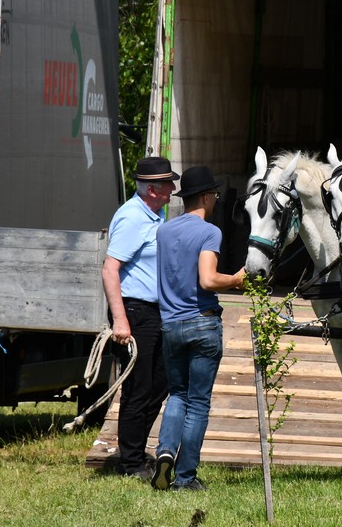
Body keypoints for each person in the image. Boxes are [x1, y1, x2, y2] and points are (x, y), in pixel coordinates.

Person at [151, 166, 246, 491]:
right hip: (202, 324)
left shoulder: (164, 231)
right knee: (198, 401)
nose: (217, 199)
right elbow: (207, 279)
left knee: (176, 395)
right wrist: (235, 280)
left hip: (171, 325)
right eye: (215, 195)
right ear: (206, 197)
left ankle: (165, 451)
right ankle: (186, 477)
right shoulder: (209, 232)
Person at [102, 156, 178, 479]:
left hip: (154, 312)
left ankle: (133, 451)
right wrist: (120, 320)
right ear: (151, 189)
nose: (173, 190)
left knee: (159, 384)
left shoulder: (154, 215)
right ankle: (130, 463)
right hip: (135, 311)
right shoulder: (133, 217)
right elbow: (110, 269)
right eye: (167, 185)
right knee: (138, 387)